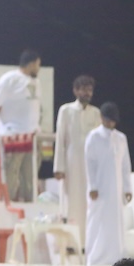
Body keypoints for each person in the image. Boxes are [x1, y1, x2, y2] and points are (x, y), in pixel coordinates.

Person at [83, 102, 132, 266]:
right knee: (97, 221)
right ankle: (94, 257)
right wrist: (93, 186)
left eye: (113, 120)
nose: (111, 123)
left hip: (116, 189)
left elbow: (125, 165)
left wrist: (127, 188)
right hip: (99, 189)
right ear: (102, 118)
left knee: (115, 222)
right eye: (108, 119)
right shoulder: (93, 137)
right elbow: (89, 163)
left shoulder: (121, 138)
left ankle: (116, 256)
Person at [0, 50, 42, 202]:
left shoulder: (36, 82)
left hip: (32, 136)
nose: (38, 68)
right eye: (38, 65)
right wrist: (12, 121)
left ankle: (30, 208)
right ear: (31, 64)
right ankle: (8, 207)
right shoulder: (10, 79)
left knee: (30, 176)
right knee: (11, 176)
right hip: (14, 135)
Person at [53, 75, 100, 234]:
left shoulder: (96, 113)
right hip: (71, 163)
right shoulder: (66, 110)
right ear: (75, 91)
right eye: (83, 89)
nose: (87, 93)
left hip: (90, 165)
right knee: (71, 201)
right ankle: (71, 241)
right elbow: (60, 139)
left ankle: (87, 241)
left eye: (89, 90)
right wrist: (59, 167)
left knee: (89, 202)